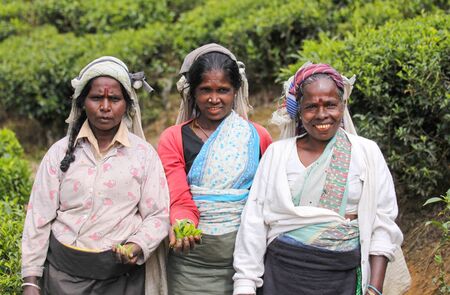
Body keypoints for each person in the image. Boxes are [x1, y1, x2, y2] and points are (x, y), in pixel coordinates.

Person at [233, 62, 409, 295]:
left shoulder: (366, 153)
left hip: (343, 280)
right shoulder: (277, 154)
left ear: (342, 106)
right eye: (311, 107)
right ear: (298, 111)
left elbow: (383, 224)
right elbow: (254, 222)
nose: (322, 114)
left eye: (330, 105)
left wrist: (373, 289)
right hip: (282, 279)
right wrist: (245, 285)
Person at [21, 56, 170, 295]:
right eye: (96, 98)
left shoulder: (143, 155)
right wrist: (30, 280)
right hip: (62, 277)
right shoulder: (59, 153)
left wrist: (137, 245)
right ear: (82, 102)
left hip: (121, 280)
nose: (105, 107)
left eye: (114, 99)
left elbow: (158, 214)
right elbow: (38, 218)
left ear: (127, 104)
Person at [157, 43, 272, 295]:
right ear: (192, 92)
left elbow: (266, 197)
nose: (214, 98)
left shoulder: (257, 137)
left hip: (246, 263)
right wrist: (183, 224)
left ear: (236, 91)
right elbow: (178, 196)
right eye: (205, 90)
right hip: (190, 264)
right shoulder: (173, 138)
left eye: (223, 90)